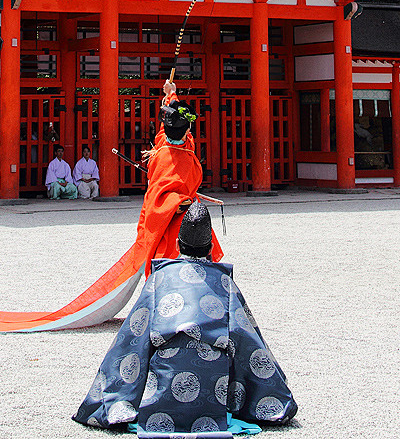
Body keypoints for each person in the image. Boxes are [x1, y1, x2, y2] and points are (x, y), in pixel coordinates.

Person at [73, 201, 297, 435]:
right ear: (211, 247)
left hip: (163, 380)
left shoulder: (160, 279)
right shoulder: (224, 283)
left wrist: (119, 392)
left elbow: (133, 336)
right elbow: (247, 338)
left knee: (133, 346)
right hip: (213, 383)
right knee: (240, 344)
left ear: (178, 244)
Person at [135, 80, 223, 275]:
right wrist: (180, 200)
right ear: (187, 132)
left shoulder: (160, 146)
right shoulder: (187, 150)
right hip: (178, 219)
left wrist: (170, 95)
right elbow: (160, 197)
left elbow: (154, 196)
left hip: (167, 220)